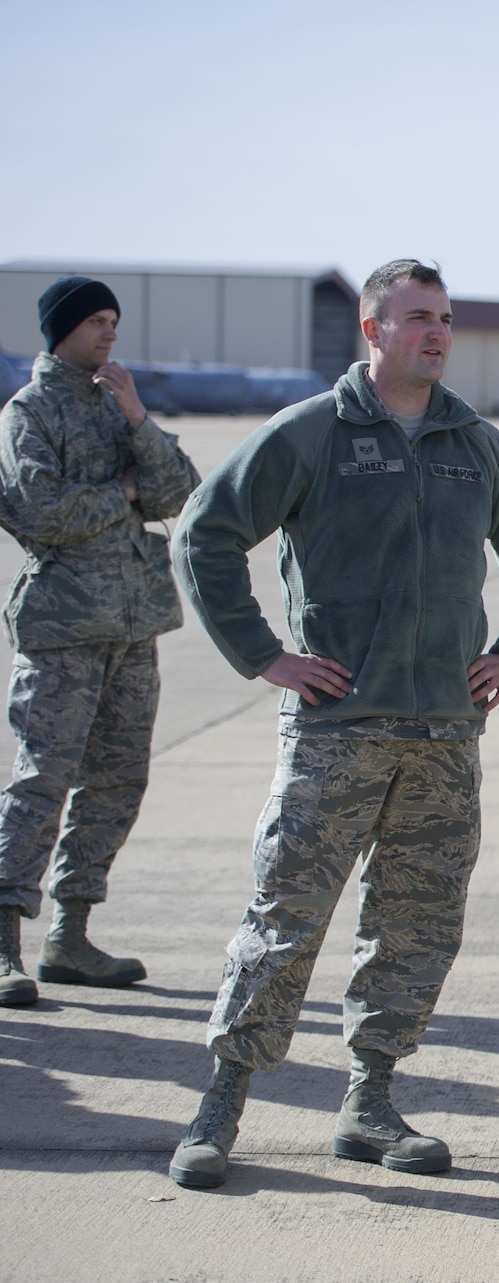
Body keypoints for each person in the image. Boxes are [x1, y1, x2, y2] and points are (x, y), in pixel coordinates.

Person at [166, 260, 499, 1189]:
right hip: (336, 728)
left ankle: (370, 1101)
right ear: (373, 329)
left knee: (416, 923)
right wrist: (263, 655)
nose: (437, 333)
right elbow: (205, 532)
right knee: (285, 918)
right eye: (418, 317)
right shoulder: (313, 432)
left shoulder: (477, 444)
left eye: (447, 319)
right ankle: (219, 1106)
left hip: (446, 735)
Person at [0, 277, 201, 1008]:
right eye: (96, 321)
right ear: (62, 329)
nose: (110, 332)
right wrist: (123, 492)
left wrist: (138, 418)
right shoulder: (29, 411)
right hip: (64, 628)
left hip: (133, 623)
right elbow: (40, 511)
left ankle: (70, 936)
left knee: (116, 782)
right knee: (42, 782)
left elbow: (179, 491)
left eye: (114, 320)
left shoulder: (118, 403)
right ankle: (3, 941)